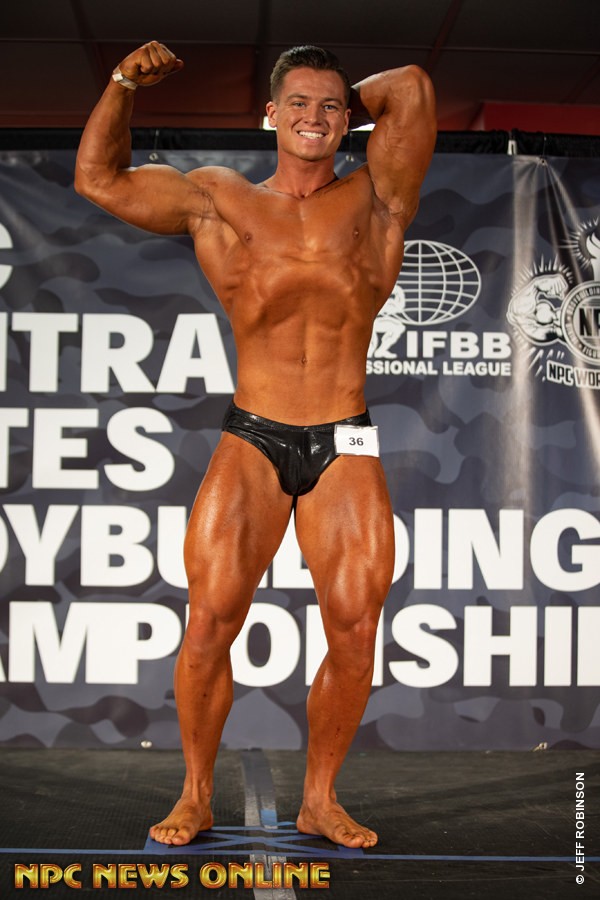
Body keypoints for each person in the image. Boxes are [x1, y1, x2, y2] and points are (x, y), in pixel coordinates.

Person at [75, 40, 436, 849]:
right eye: (297, 103)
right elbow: (98, 179)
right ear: (268, 114)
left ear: (349, 120)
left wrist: (342, 101)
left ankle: (320, 800)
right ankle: (195, 795)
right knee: (209, 624)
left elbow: (412, 87)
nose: (315, 116)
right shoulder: (219, 199)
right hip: (254, 435)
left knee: (355, 629)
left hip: (344, 436)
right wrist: (123, 84)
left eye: (331, 106)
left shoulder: (378, 197)